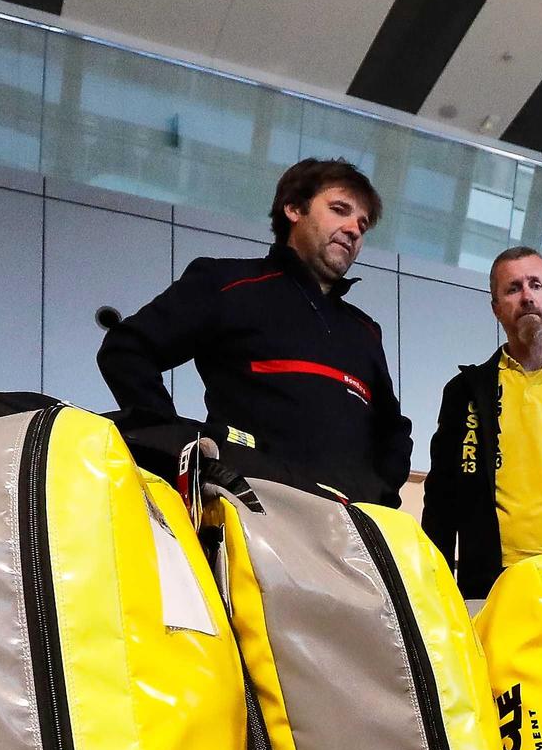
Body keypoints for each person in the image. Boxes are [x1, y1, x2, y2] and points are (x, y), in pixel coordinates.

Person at [97, 158, 413, 506]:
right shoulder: (227, 284)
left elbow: (394, 432)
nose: (354, 229)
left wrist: (377, 496)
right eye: (340, 210)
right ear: (294, 208)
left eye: (363, 224)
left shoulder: (365, 331)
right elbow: (127, 350)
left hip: (350, 531)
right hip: (252, 519)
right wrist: (177, 449)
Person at [421, 247, 542, 597]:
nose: (526, 297)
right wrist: (438, 589)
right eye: (512, 289)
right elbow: (440, 501)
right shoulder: (465, 392)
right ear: (496, 308)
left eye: (535, 285)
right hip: (493, 584)